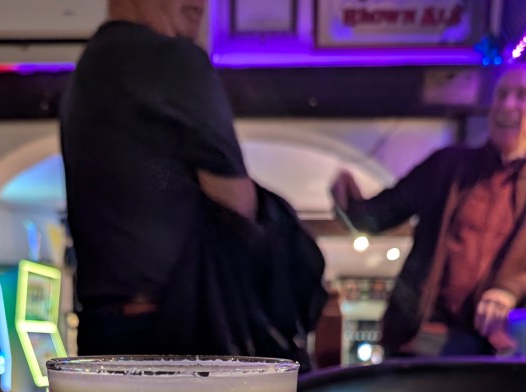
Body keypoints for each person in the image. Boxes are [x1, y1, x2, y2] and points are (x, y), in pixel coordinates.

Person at [60, 0, 326, 365]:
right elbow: (238, 204)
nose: (201, 4)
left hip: (101, 332)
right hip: (175, 331)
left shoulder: (88, 69)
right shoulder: (170, 59)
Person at [330, 65, 526, 357]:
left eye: (521, 95)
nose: (508, 105)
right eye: (501, 94)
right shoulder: (448, 166)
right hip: (423, 337)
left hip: (500, 347)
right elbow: (377, 216)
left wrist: (509, 289)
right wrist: (348, 201)